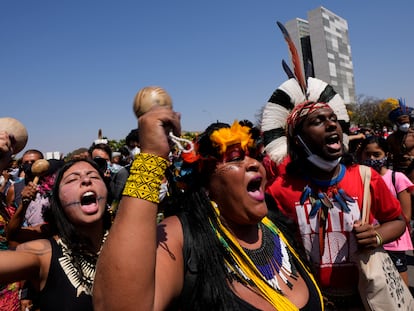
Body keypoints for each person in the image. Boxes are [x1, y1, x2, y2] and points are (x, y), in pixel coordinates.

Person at [93, 106, 324, 311]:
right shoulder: (182, 237)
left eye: (254, 155)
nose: (254, 163)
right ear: (206, 186)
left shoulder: (278, 227)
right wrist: (151, 159)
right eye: (235, 159)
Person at [0, 158, 111, 311]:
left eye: (93, 176)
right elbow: (13, 237)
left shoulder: (130, 242)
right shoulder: (42, 253)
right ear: (57, 199)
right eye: (72, 179)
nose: (86, 180)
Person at [357, 135, 414, 286]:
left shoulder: (397, 178)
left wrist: (377, 229)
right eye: (367, 154)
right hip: (368, 243)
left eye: (376, 154)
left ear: (386, 155)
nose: (371, 158)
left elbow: (406, 216)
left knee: (399, 287)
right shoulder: (359, 178)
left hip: (393, 242)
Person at [387, 98, 414, 174]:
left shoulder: (413, 135)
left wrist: (411, 158)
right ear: (396, 123)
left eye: (407, 122)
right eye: (402, 123)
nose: (405, 125)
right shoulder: (391, 138)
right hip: (398, 171)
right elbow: (388, 155)